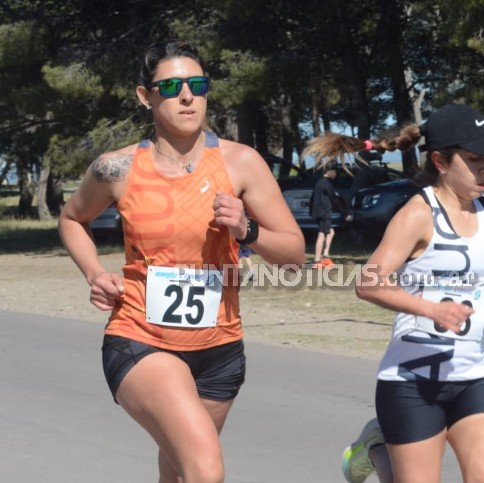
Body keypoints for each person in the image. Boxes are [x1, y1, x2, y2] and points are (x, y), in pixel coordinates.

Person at [58, 40, 304, 482]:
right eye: (171, 86)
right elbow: (73, 219)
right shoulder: (117, 169)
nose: (187, 96)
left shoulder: (241, 162)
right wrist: (95, 273)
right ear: (145, 96)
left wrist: (247, 230)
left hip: (220, 348)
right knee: (205, 468)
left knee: (178, 471)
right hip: (141, 338)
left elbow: (294, 256)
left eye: (197, 84)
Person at [304, 103, 484, 483]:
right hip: (412, 381)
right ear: (441, 160)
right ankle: (376, 449)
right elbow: (367, 283)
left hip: (475, 373)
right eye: (475, 159)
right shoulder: (417, 214)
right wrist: (430, 310)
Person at [306, 161, 352, 268]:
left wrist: (312, 212)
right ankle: (318, 261)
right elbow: (334, 199)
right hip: (324, 212)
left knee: (330, 232)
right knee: (322, 234)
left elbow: (312, 198)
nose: (336, 174)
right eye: (335, 172)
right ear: (330, 171)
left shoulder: (319, 182)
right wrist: (345, 214)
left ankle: (325, 257)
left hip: (319, 212)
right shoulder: (327, 184)